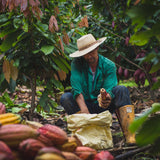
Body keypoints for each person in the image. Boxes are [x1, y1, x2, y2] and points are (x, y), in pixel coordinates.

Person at [60, 34, 135, 144]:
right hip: (85, 107)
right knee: (66, 98)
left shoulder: (108, 65)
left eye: (92, 52)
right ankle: (85, 134)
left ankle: (130, 136)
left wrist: (107, 98)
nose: (89, 56)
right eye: (86, 54)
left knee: (121, 90)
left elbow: (110, 87)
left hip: (104, 106)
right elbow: (76, 88)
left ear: (97, 48)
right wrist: (85, 112)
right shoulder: (77, 64)